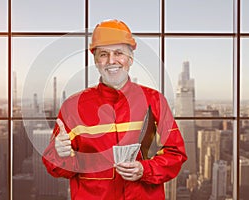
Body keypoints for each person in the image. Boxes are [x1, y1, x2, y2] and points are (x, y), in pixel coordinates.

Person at [42, 19, 187, 200]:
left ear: (130, 58)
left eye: (119, 53)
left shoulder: (154, 101)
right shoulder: (73, 107)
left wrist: (145, 170)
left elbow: (176, 154)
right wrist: (59, 154)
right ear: (95, 60)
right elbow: (56, 167)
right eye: (103, 54)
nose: (111, 61)